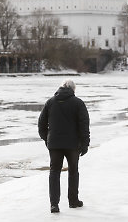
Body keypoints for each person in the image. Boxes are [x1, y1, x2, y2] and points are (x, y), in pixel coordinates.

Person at [38, 79, 90, 213]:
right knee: (73, 171)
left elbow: (41, 124)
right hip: (73, 145)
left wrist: (47, 139)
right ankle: (73, 201)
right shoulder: (78, 103)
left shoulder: (50, 102)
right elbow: (84, 125)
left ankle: (54, 204)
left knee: (54, 171)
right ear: (73, 89)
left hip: (55, 144)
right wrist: (85, 144)